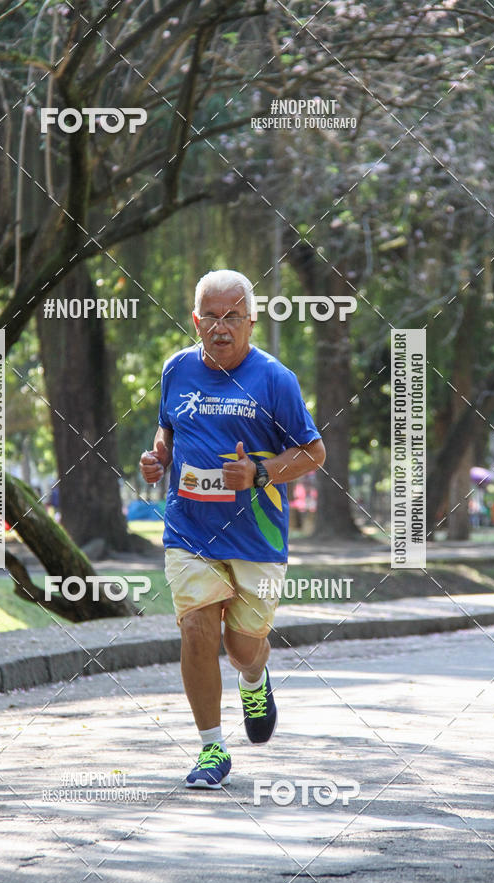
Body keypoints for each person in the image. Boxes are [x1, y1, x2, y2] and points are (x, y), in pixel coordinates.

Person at [139, 269, 326, 789]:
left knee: (242, 645)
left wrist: (261, 472)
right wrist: (158, 459)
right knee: (197, 628)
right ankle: (210, 748)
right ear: (196, 321)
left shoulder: (274, 379)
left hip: (257, 538)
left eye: (233, 317)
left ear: (251, 319)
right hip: (189, 529)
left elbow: (315, 452)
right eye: (212, 318)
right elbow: (167, 430)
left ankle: (254, 677)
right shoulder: (176, 370)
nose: (222, 328)